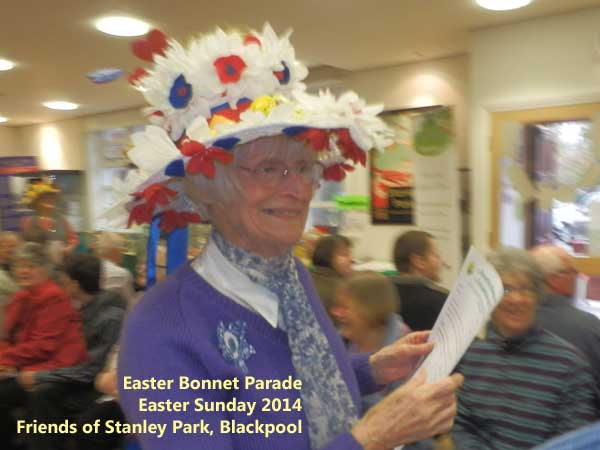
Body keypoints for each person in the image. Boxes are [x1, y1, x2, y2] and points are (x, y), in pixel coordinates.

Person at [116, 24, 463, 450]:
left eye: (303, 168)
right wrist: (370, 438)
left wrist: (372, 368)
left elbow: (285, 395)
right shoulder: (160, 325)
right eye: (267, 169)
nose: (297, 188)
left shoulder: (290, 274)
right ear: (208, 187)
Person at [453, 247, 597, 450]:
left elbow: (573, 443)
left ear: (538, 296)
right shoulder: (474, 356)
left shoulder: (569, 363)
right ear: (488, 298)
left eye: (526, 289)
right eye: (506, 290)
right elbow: (464, 424)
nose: (517, 299)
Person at [16, 252, 126, 450]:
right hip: (81, 377)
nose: (60, 285)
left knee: (43, 394)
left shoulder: (108, 317)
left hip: (95, 386)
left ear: (75, 285)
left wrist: (40, 375)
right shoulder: (85, 309)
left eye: (64, 281)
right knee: (34, 391)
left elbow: (90, 370)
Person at [0, 243, 87, 450]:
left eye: (31, 265)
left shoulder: (53, 297)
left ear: (45, 269)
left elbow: (43, 346)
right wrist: (5, 363)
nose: (23, 270)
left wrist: (6, 362)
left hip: (52, 368)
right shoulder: (21, 297)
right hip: (25, 365)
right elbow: (6, 336)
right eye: (19, 265)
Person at [530, 244, 600, 411]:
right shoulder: (589, 326)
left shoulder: (509, 323)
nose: (578, 276)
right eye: (573, 271)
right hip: (581, 431)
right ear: (554, 279)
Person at [331, 270, 410, 410]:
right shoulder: (338, 342)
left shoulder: (404, 351)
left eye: (344, 307)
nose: (335, 313)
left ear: (370, 309)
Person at [391, 230, 448, 331]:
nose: (442, 262)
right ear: (419, 261)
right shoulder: (440, 301)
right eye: (436, 256)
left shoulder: (383, 297)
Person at [21, 180, 78, 264]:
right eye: (46, 198)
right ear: (36, 202)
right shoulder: (28, 221)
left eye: (52, 197)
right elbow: (24, 243)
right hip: (37, 263)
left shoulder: (62, 219)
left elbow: (73, 239)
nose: (50, 200)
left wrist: (68, 249)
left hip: (60, 263)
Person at [311, 234, 353, 319]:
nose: (351, 259)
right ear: (327, 257)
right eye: (344, 255)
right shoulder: (341, 289)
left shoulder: (309, 277)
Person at [95, 231, 136, 308]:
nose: (123, 253)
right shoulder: (122, 274)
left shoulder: (90, 268)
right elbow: (130, 305)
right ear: (115, 251)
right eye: (122, 249)